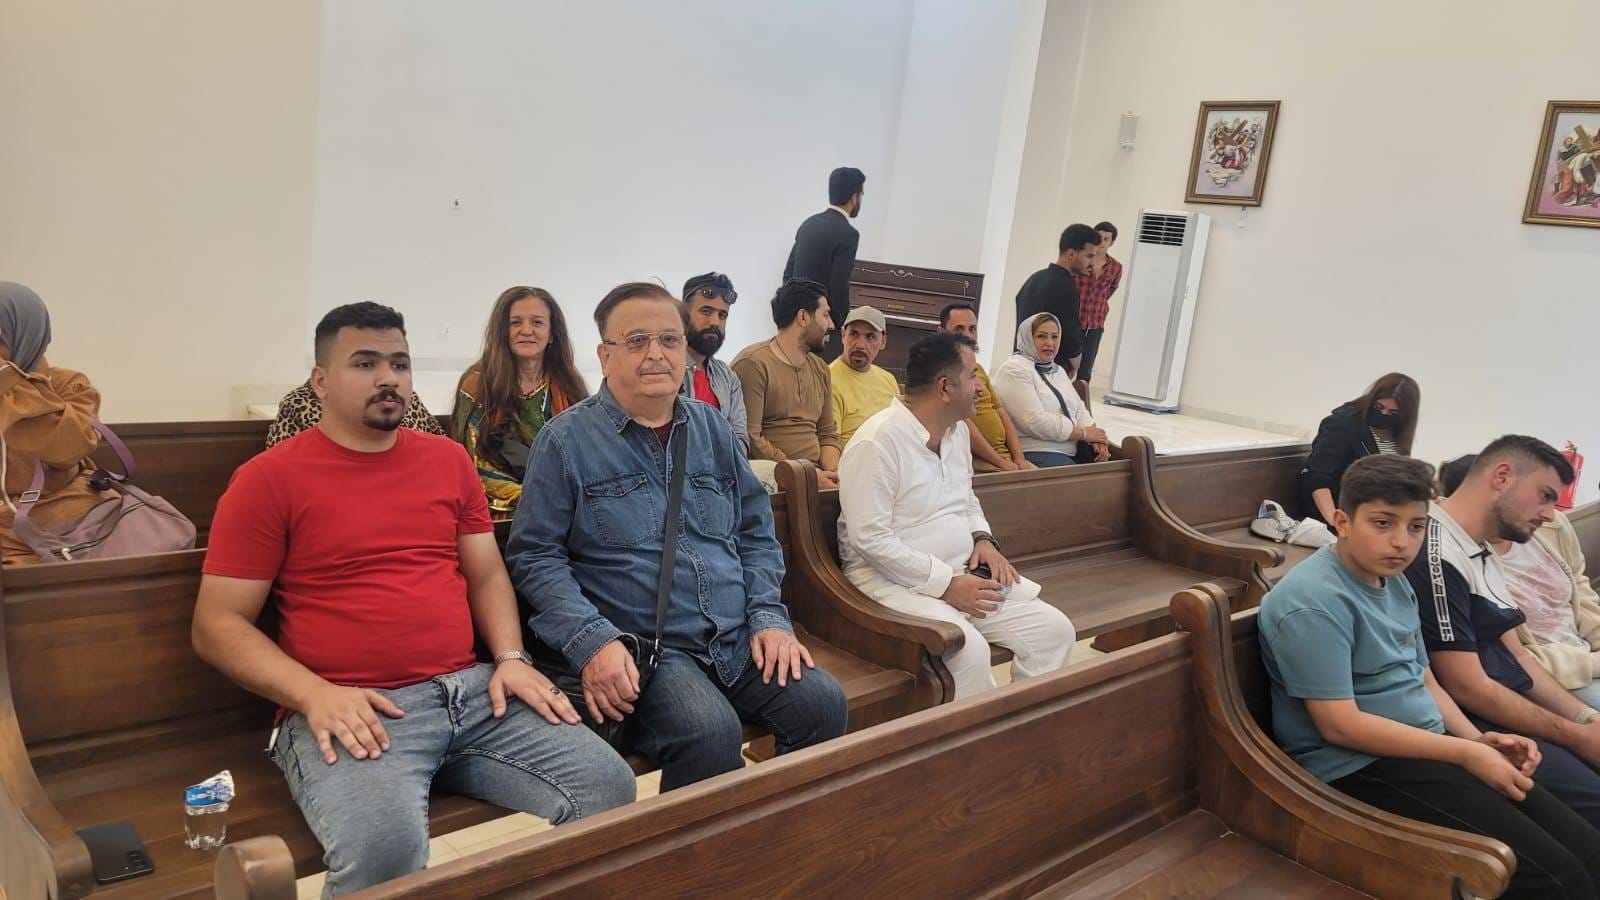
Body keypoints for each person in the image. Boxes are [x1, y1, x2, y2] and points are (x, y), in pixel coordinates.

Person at [192, 302, 634, 897]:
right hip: (354, 706)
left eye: (399, 364)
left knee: (607, 787)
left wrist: (510, 658)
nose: (388, 378)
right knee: (385, 850)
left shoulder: (446, 460)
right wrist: (313, 694)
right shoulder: (268, 479)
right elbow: (217, 625)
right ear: (320, 381)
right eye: (365, 363)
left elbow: (485, 576)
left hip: (471, 694)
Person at [507, 283, 847, 792]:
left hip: (735, 636)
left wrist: (769, 617)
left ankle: (777, 834)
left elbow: (755, 533)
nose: (655, 354)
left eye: (668, 340)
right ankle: (695, 847)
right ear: (604, 356)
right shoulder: (565, 441)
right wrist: (593, 642)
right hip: (648, 649)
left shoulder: (712, 429)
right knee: (708, 731)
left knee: (822, 703)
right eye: (636, 340)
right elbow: (536, 558)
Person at [1260, 454, 1600, 900]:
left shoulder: (1394, 581)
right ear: (1342, 522)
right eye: (1382, 523)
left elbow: (1424, 679)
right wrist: (1464, 752)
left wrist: (1478, 742)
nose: (1401, 542)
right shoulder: (1312, 601)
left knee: (1589, 848)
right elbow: (1339, 725)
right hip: (1358, 769)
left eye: (1416, 526)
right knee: (1557, 880)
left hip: (1428, 745)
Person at [838, 332, 1075, 698]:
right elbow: (870, 540)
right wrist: (945, 584)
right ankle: (975, 734)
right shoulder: (877, 442)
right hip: (888, 582)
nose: (980, 387)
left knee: (1053, 631)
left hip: (962, 572)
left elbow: (965, 497)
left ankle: (1020, 725)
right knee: (969, 650)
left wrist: (983, 539)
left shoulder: (957, 432)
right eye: (972, 376)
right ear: (945, 388)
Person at [1404, 435, 1600, 828]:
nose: (1550, 514)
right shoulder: (1436, 552)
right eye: (1545, 496)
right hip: (1467, 721)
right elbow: (1467, 686)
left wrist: (1584, 720)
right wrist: (1575, 736)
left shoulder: (1481, 548)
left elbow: (1519, 656)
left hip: (1504, 701)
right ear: (1502, 477)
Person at [1442, 454, 1600, 711]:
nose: (1548, 513)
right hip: (1555, 676)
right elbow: (1513, 658)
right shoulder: (1461, 563)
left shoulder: (1550, 527)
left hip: (1587, 651)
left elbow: (1580, 586)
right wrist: (1593, 664)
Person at [0, 283, 119, 566]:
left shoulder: (69, 384)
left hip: (64, 523)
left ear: (24, 335)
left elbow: (67, 449)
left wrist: (11, 382)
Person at [450, 287, 590, 516]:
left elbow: (584, 456)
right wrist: (538, 499)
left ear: (552, 333)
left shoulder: (568, 386)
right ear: (502, 331)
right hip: (499, 508)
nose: (526, 331)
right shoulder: (477, 384)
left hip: (564, 504)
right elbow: (475, 465)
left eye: (537, 322)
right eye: (515, 323)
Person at [731, 278, 842, 489]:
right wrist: (805, 476)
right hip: (774, 482)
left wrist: (833, 475)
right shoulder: (753, 363)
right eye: (826, 315)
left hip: (816, 477)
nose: (831, 325)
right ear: (803, 317)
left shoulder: (821, 368)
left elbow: (827, 433)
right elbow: (751, 437)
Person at [1298, 373, 1420, 523]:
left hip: (1380, 515)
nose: (1383, 414)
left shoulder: (1399, 432)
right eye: (1379, 407)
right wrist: (1335, 520)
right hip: (1343, 513)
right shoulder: (1343, 423)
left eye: (1393, 412)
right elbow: (1317, 476)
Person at [991, 314, 1109, 468]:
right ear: (1027, 338)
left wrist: (1097, 437)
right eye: (1041, 336)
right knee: (1082, 478)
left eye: (1054, 337)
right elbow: (1035, 421)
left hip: (1069, 450)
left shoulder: (1058, 370)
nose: (1050, 343)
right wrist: (1084, 434)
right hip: (1036, 451)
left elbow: (1079, 408)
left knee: (1112, 466)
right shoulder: (1014, 369)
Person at [783, 167, 864, 362]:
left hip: (795, 322)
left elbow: (788, 275)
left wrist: (792, 314)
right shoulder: (848, 234)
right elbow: (838, 287)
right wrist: (844, 323)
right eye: (861, 195)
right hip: (823, 329)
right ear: (854, 197)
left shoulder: (808, 225)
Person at [939, 303, 1031, 473]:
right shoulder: (939, 372)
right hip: (975, 460)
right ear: (941, 332)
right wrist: (1000, 463)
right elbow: (962, 423)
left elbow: (1000, 411)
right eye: (959, 329)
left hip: (1005, 457)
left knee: (1051, 483)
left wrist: (1019, 457)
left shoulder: (978, 369)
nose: (968, 335)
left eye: (972, 329)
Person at [1013, 224, 1101, 376]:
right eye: (1089, 256)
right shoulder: (1066, 287)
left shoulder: (1034, 279)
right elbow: (1071, 337)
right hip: (1048, 371)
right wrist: (1075, 363)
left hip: (1021, 364)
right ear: (1071, 254)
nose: (1093, 263)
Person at [679, 272, 750, 455]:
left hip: (726, 468)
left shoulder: (728, 378)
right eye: (706, 311)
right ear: (683, 315)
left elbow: (740, 437)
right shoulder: (665, 369)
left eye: (722, 315)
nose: (715, 322)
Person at [266, 383, 443, 449]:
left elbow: (437, 441)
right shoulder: (299, 402)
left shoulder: (405, 398)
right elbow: (282, 473)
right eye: (364, 364)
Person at [829, 306, 900, 447]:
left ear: (883, 342)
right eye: (854, 334)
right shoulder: (828, 380)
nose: (860, 345)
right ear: (843, 335)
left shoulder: (888, 380)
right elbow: (830, 444)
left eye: (870, 337)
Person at [1073, 221, 1123, 384]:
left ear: (1112, 242)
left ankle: (1080, 399)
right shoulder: (1079, 259)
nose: (1102, 241)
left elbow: (1111, 290)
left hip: (1095, 325)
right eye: (1099, 237)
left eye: (1106, 239)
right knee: (1063, 367)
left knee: (1085, 372)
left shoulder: (1116, 267)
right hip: (1072, 321)